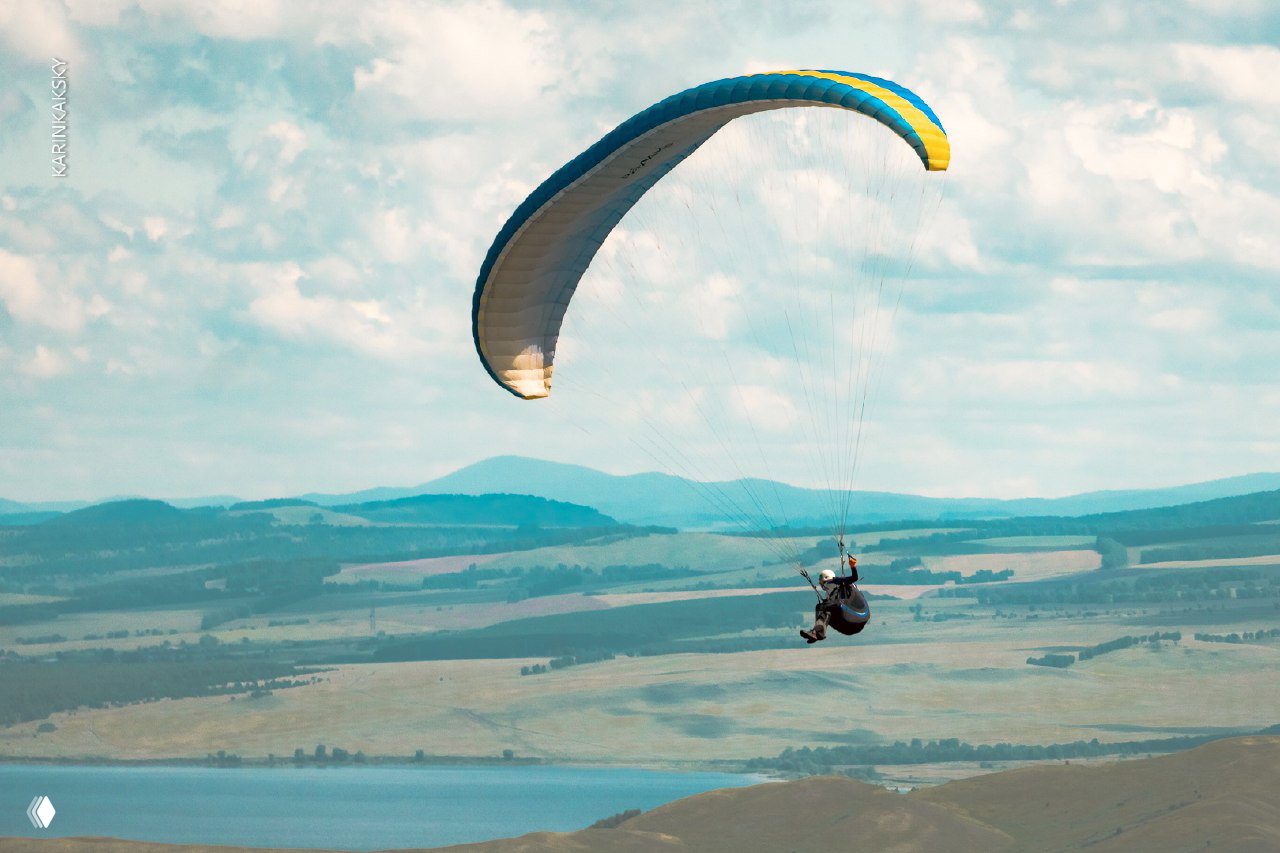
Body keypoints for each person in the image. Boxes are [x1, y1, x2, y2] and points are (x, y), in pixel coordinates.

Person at [800, 555, 870, 643]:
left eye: (820, 581)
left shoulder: (834, 581)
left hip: (854, 617)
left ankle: (817, 632)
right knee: (826, 611)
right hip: (853, 626)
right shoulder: (834, 593)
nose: (820, 584)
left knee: (822, 607)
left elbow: (854, 578)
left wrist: (853, 566)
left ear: (825, 578)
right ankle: (817, 634)